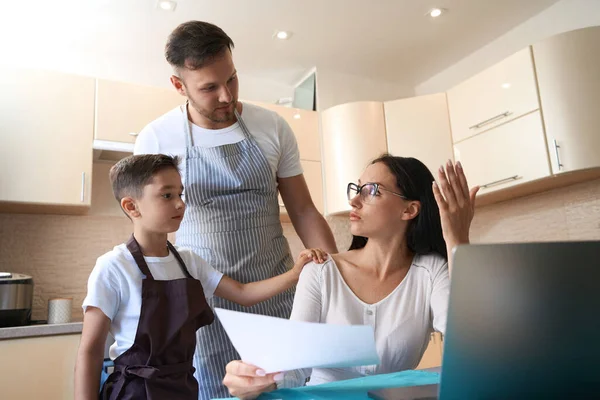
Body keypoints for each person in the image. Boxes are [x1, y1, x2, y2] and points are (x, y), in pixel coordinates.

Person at [133, 20, 338, 399]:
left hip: (280, 290)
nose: (226, 96)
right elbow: (151, 232)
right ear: (179, 86)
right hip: (205, 302)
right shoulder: (157, 138)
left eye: (232, 79)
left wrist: (335, 281)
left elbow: (305, 211)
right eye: (209, 88)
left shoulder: (272, 126)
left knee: (286, 390)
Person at [222, 156, 480, 399]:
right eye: (356, 189)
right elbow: (294, 367)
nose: (354, 201)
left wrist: (456, 239)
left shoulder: (431, 271)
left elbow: (471, 349)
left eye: (371, 191)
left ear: (409, 210)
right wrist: (259, 378)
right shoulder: (321, 269)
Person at [74, 154, 327, 400]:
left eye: (180, 194)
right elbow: (91, 351)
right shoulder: (113, 267)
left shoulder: (188, 261)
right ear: (132, 206)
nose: (180, 203)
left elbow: (243, 293)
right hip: (135, 392)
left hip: (183, 388)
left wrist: (296, 273)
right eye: (167, 195)